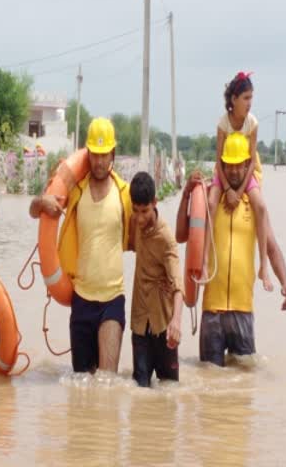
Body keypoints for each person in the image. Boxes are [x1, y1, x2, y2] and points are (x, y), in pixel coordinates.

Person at [176, 133, 286, 366]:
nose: (233, 171)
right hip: (212, 312)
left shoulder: (255, 204)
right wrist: (186, 193)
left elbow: (272, 248)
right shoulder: (210, 199)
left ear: (247, 166)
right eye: (228, 166)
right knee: (210, 381)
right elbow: (181, 235)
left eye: (238, 166)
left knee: (244, 384)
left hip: (242, 310)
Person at [28, 118, 132, 374]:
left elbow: (146, 237)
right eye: (94, 155)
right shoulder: (75, 191)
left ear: (113, 154)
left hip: (112, 298)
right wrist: (42, 202)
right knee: (81, 385)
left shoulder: (124, 194)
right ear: (88, 154)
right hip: (81, 299)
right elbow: (33, 211)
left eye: (104, 155)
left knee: (106, 383)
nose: (98, 162)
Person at [206, 72, 273, 291]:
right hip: (224, 170)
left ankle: (263, 265)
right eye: (245, 97)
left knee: (261, 207)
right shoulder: (223, 123)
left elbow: (252, 160)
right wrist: (226, 188)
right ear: (233, 99)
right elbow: (218, 159)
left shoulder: (252, 123)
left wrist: (241, 190)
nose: (249, 103)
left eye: (251, 97)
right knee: (212, 204)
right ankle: (206, 260)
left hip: (246, 172)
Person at [128, 171, 183, 387]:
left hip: (163, 326)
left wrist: (176, 321)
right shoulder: (134, 223)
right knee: (138, 389)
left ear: (155, 203)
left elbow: (178, 284)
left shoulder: (166, 238)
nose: (140, 218)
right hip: (140, 323)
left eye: (145, 211)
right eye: (136, 211)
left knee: (169, 389)